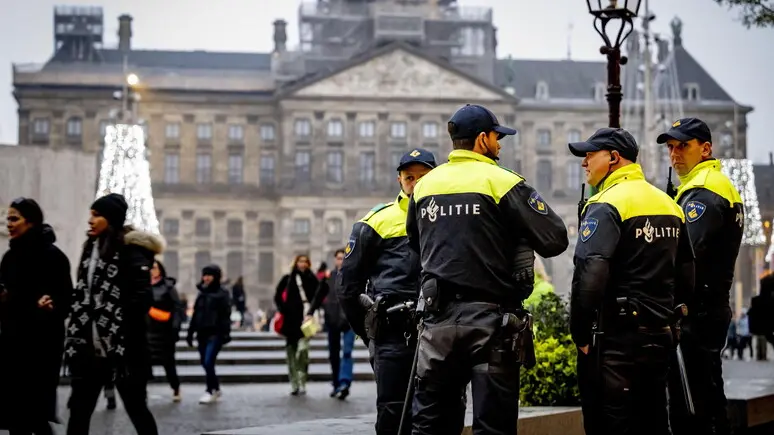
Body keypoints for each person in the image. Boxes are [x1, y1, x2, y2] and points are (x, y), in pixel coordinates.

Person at [406, 105, 569, 435]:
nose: (500, 144)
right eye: (497, 137)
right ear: (482, 139)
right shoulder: (503, 182)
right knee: (492, 425)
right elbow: (555, 239)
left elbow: (416, 244)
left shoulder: (425, 186)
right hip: (490, 323)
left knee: (431, 424)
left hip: (438, 326)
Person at [568, 128, 695, 435]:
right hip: (659, 336)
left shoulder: (606, 204)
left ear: (613, 157)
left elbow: (591, 273)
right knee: (654, 420)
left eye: (589, 155)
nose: (584, 163)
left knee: (612, 424)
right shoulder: (668, 203)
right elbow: (688, 272)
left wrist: (580, 333)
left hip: (615, 341)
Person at [339, 147, 443, 435]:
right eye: (410, 177)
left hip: (440, 331)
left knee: (440, 410)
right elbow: (347, 287)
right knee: (393, 413)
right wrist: (369, 332)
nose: (415, 183)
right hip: (394, 334)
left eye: (423, 177)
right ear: (399, 179)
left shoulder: (449, 218)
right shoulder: (376, 221)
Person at [658, 117, 744, 435]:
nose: (675, 154)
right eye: (671, 147)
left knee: (692, 411)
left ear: (705, 149)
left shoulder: (705, 191)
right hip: (709, 309)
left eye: (683, 146)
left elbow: (685, 253)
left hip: (697, 313)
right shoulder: (710, 186)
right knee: (708, 400)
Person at [64, 193, 162, 435]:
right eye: (91, 214)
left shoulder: (131, 252)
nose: (90, 220)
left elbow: (142, 297)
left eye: (96, 215)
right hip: (89, 345)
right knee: (79, 410)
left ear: (111, 219)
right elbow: (83, 291)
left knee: (136, 408)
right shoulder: (90, 248)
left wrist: (115, 320)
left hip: (123, 348)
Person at [0, 198, 72, 435]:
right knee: (15, 416)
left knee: (36, 414)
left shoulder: (54, 257)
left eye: (14, 218)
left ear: (30, 222)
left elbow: (66, 299)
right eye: (8, 218)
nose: (8, 224)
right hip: (12, 342)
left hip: (42, 345)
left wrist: (52, 305)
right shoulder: (9, 258)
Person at [308, 249, 353, 399]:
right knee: (333, 355)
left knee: (346, 352)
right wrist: (309, 312)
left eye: (343, 258)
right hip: (332, 320)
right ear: (335, 260)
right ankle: (336, 383)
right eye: (338, 258)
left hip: (349, 321)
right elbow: (318, 296)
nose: (341, 261)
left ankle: (344, 382)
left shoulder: (353, 276)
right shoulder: (328, 278)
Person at [186, 264, 232, 404]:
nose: (205, 278)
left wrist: (225, 333)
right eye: (204, 275)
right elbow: (196, 314)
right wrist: (190, 332)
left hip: (215, 332)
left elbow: (226, 315)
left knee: (208, 361)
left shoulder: (223, 293)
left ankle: (209, 390)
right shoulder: (202, 293)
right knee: (205, 362)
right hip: (202, 333)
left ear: (216, 277)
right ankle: (216, 388)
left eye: (209, 275)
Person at [274, 255, 318, 396]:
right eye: (300, 261)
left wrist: (313, 310)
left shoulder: (312, 279)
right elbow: (277, 295)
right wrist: (283, 309)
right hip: (290, 320)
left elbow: (319, 296)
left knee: (303, 352)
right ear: (296, 263)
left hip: (305, 319)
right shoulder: (288, 278)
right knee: (291, 354)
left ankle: (302, 379)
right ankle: (294, 383)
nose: (302, 264)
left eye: (305, 261)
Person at [147, 259, 184, 402]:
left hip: (165, 331)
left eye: (155, 267)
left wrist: (175, 327)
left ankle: (175, 388)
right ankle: (142, 390)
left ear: (160, 270)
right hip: (147, 330)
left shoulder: (168, 287)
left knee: (168, 363)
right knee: (144, 362)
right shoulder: (142, 286)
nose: (152, 270)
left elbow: (177, 308)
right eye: (150, 268)